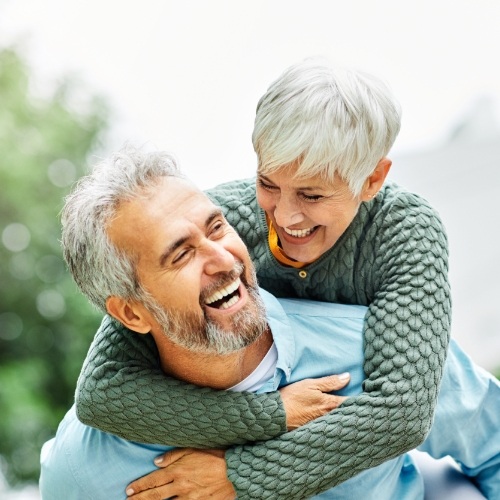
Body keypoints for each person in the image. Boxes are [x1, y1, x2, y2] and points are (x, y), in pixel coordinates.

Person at [74, 58, 452, 498]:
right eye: (268, 183)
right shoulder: (218, 225)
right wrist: (270, 415)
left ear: (372, 180)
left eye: (311, 194)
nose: (285, 215)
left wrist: (241, 476)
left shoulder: (406, 233)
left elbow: (401, 412)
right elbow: (103, 391)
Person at [39, 147, 499, 500]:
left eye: (217, 227)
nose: (222, 259)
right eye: (181, 253)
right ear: (131, 313)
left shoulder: (373, 353)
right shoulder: (84, 467)